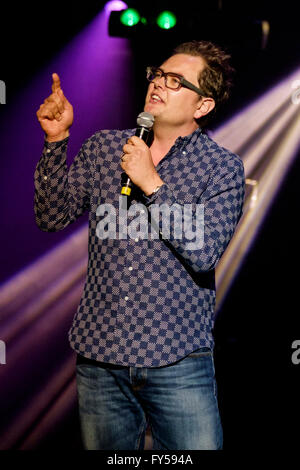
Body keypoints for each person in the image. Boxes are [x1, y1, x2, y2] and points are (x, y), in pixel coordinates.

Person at [35, 40, 245, 450]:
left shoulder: (221, 168)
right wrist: (56, 142)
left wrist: (150, 182)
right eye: (157, 74)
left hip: (177, 358)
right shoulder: (104, 148)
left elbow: (203, 252)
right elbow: (51, 217)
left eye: (175, 81)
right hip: (100, 358)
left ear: (202, 106)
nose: (158, 85)